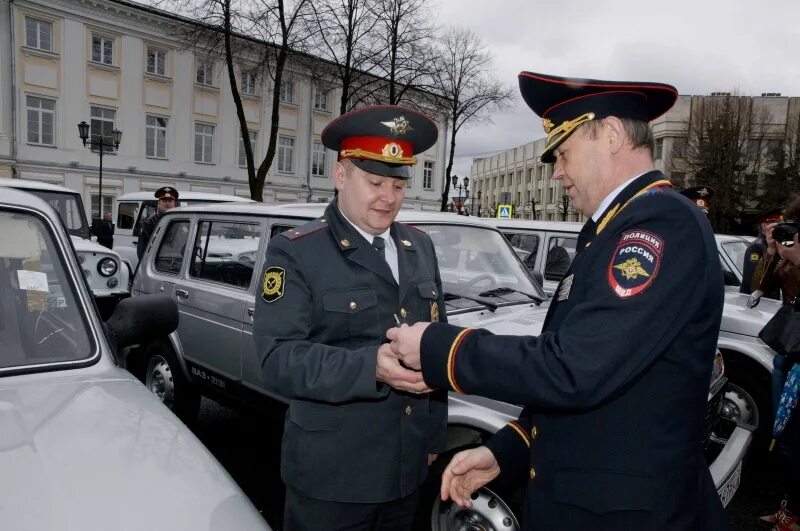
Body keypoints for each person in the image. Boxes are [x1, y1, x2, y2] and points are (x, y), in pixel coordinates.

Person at [386, 71, 729, 530]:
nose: (557, 172)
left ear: (610, 135)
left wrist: (439, 349)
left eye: (564, 152)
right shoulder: (612, 228)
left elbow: (575, 368)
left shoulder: (659, 225)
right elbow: (604, 393)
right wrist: (506, 451)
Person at [254, 105, 447, 531]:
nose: (388, 197)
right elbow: (277, 360)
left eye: (398, 184)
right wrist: (370, 367)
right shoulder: (297, 252)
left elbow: (435, 341)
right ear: (341, 176)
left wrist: (432, 440)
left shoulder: (420, 247)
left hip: (405, 472)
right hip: (332, 480)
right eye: (374, 181)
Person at [752, 199, 800, 530]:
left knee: (796, 438)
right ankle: (789, 507)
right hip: (788, 350)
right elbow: (760, 285)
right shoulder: (786, 255)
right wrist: (772, 250)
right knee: (784, 435)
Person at [742, 207, 784, 297]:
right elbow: (751, 280)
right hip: (757, 301)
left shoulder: (776, 245)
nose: (779, 228)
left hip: (770, 301)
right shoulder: (756, 247)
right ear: (764, 226)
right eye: (776, 225)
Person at [136, 186, 178, 260]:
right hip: (157, 264)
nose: (167, 203)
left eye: (170, 201)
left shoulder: (182, 220)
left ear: (175, 203)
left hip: (177, 263)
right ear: (159, 203)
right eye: (164, 201)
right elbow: (142, 248)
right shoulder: (149, 222)